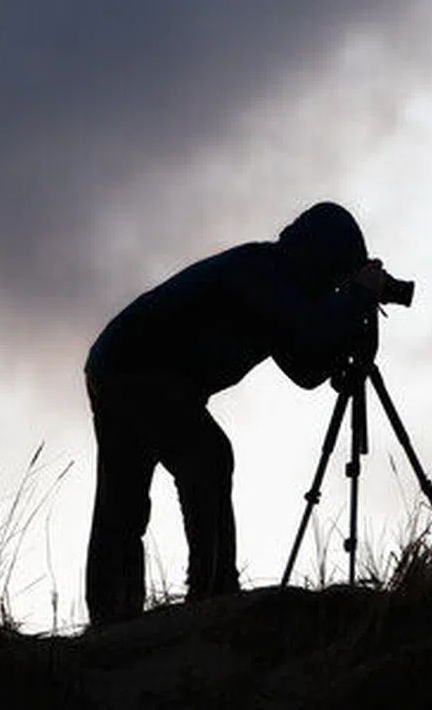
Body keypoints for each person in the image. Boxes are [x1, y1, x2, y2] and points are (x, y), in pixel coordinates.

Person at [83, 201, 390, 627]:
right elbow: (307, 331)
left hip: (117, 363)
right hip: (134, 363)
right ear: (321, 257)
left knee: (126, 496)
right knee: (204, 458)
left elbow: (305, 366)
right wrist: (357, 297)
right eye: (337, 273)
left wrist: (346, 335)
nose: (335, 285)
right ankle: (211, 593)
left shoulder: (280, 286)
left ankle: (115, 620)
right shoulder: (260, 271)